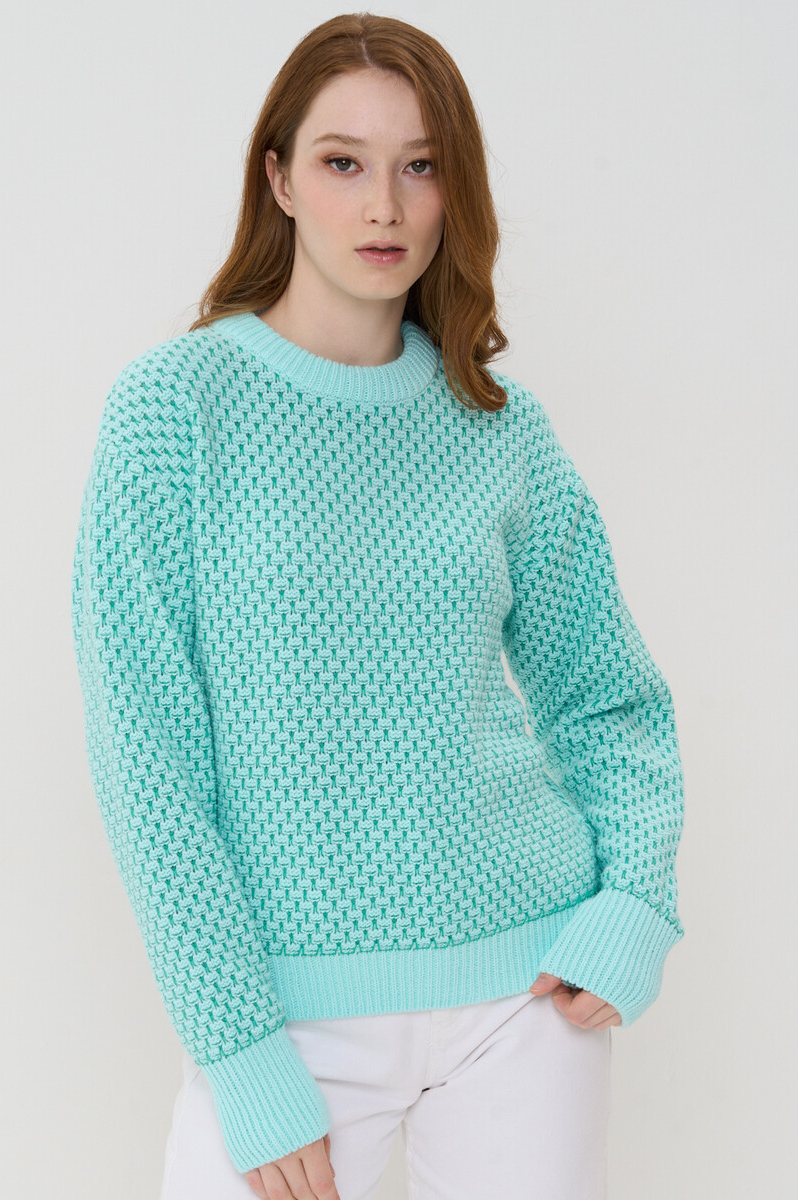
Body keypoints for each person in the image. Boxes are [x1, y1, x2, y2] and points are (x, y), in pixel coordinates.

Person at [70, 12, 686, 1200]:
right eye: (343, 163)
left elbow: (608, 698)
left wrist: (635, 902)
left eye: (421, 165)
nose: (385, 207)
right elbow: (147, 768)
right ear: (279, 180)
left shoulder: (500, 427)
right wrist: (240, 1054)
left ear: (457, 188)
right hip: (284, 1019)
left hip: (524, 1000)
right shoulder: (173, 413)